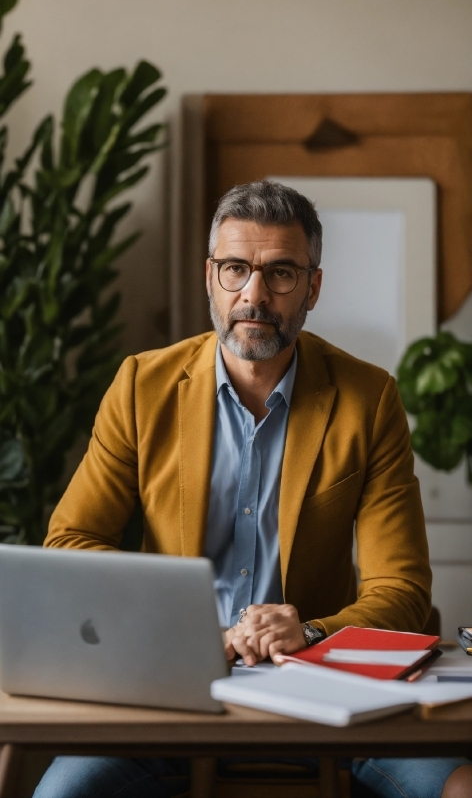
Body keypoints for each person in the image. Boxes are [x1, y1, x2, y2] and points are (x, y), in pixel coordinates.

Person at [35, 181, 472, 798]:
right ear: (210, 276)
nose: (255, 295)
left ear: (313, 287)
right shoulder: (141, 386)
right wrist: (188, 631)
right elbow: (70, 542)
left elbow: (401, 590)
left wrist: (313, 632)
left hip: (328, 693)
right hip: (174, 693)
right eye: (236, 269)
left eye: (282, 273)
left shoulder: (368, 399)